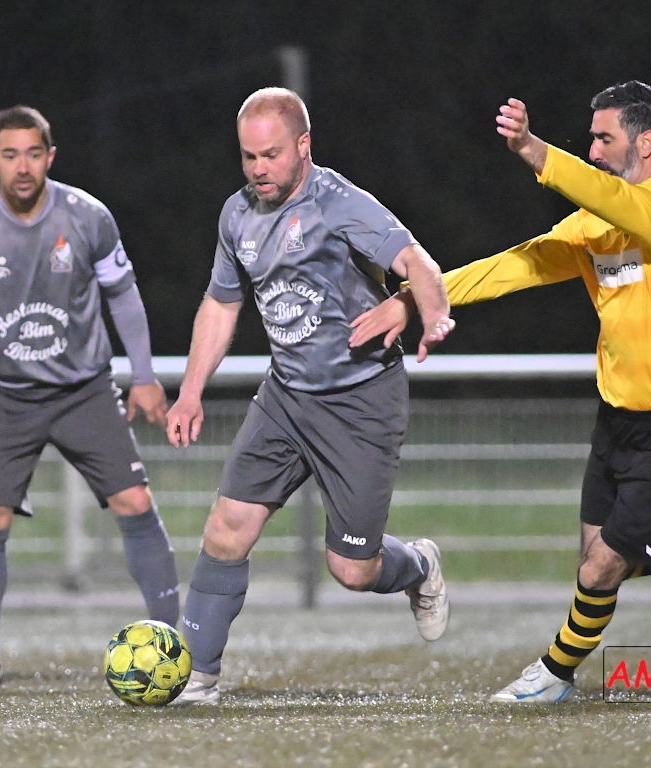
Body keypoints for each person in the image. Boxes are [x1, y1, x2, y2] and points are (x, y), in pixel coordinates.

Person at [350, 81, 651, 703]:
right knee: (609, 556)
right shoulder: (596, 226)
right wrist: (414, 298)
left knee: (603, 567)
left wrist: (535, 151)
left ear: (645, 142)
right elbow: (518, 263)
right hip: (619, 423)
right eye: (589, 139)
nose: (592, 150)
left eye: (603, 138)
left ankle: (553, 676)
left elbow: (609, 195)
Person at [165, 88, 454, 706]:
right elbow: (221, 304)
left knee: (351, 569)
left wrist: (429, 314)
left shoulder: (338, 202)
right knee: (227, 528)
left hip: (361, 402)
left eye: (270, 155)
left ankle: (419, 565)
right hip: (287, 398)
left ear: (303, 145)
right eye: (248, 157)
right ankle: (197, 675)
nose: (258, 169)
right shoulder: (236, 216)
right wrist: (190, 391)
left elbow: (417, 262)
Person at [0, 106, 180, 689]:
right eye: (10, 155)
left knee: (135, 501)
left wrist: (145, 375)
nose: (23, 166)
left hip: (85, 392)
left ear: (50, 157)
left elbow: (123, 295)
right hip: (3, 397)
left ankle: (174, 645)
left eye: (33, 153)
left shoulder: (87, 217)